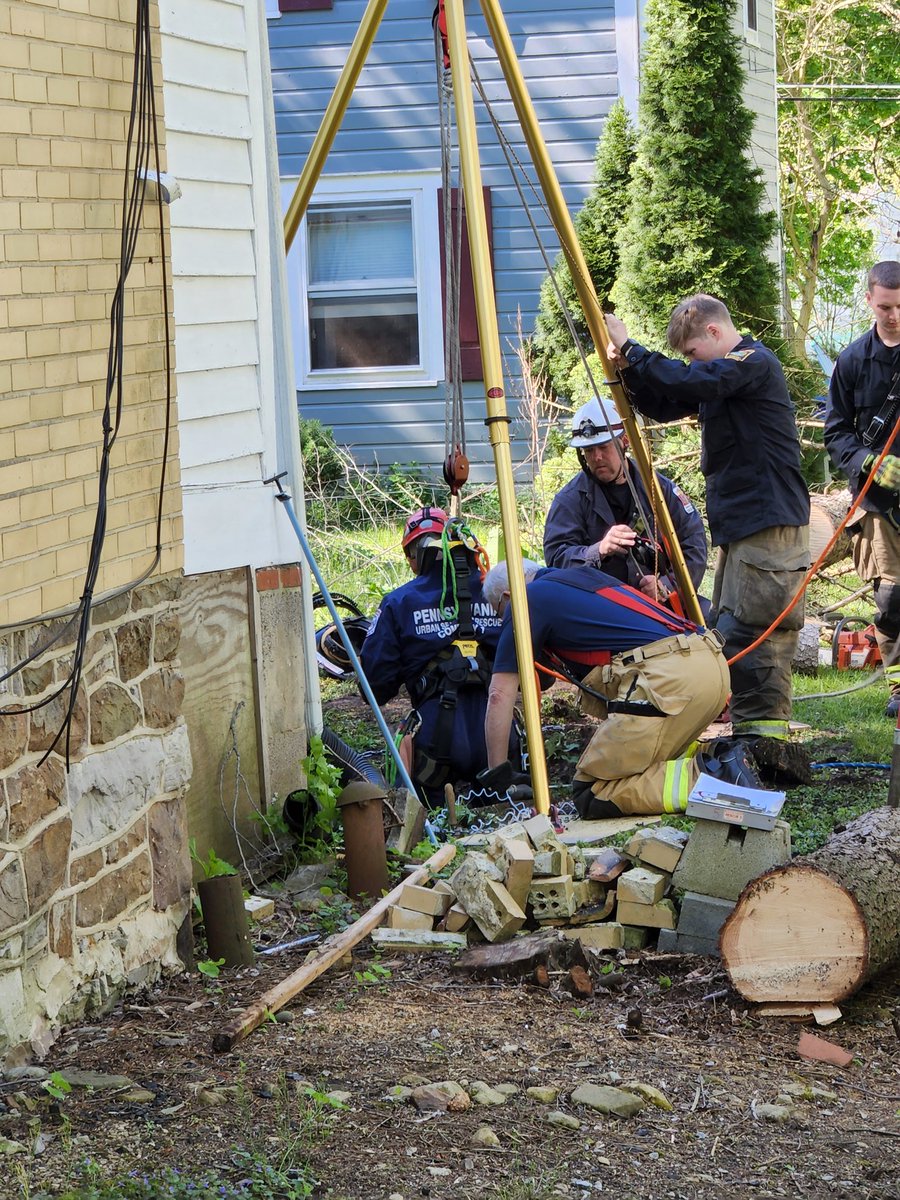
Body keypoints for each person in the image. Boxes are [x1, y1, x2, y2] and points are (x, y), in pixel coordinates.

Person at [604, 296, 810, 757]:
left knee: (754, 628)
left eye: (692, 351)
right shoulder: (723, 378)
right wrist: (630, 372)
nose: (689, 362)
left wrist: (633, 348)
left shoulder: (750, 364)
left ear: (715, 334)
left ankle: (766, 743)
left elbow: (692, 379)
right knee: (737, 624)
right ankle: (754, 736)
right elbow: (667, 401)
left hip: (768, 521)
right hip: (744, 524)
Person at [481, 559, 757, 816]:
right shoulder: (579, 578)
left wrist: (497, 773)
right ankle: (726, 758)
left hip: (669, 677)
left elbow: (499, 695)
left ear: (507, 596)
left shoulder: (525, 600)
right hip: (709, 661)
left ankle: (719, 780)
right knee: (644, 768)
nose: (506, 622)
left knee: (594, 791)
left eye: (500, 613)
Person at [359, 506, 516, 804]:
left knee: (431, 821)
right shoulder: (501, 593)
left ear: (413, 557)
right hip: (500, 741)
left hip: (434, 748)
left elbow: (373, 686)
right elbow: (539, 675)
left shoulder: (399, 603)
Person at [823, 260, 900, 716]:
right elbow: (835, 432)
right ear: (869, 300)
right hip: (877, 501)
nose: (894, 315)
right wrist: (871, 462)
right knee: (891, 597)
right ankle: (899, 685)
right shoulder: (851, 361)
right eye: (886, 306)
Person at [544, 396, 708, 608]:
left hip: (663, 606)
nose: (597, 458)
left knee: (714, 629)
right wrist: (599, 550)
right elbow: (556, 560)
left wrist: (666, 585)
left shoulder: (658, 488)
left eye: (603, 447)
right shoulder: (569, 501)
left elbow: (693, 543)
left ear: (624, 442)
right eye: (589, 450)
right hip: (603, 611)